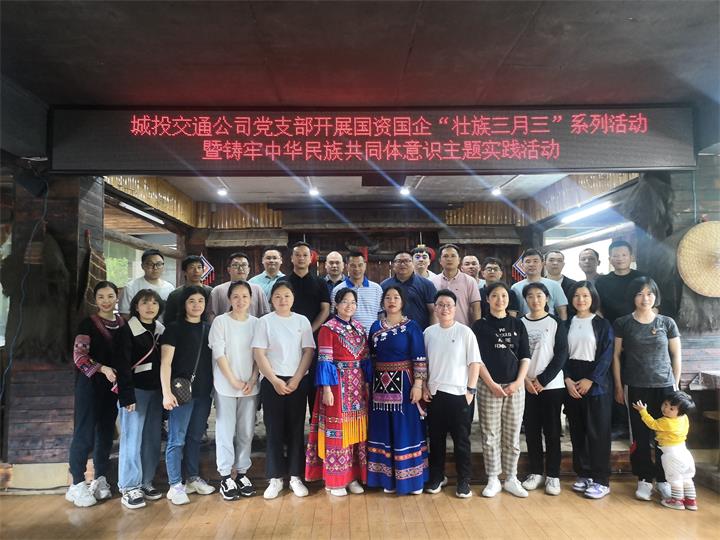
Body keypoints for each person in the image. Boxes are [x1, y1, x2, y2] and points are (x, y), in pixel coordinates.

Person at [613, 276, 681, 502]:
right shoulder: (623, 323)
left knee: (665, 436)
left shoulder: (666, 323)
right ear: (632, 297)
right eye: (640, 294)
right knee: (640, 436)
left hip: (665, 388)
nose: (645, 298)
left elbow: (676, 355)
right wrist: (618, 386)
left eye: (649, 293)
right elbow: (616, 356)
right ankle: (643, 478)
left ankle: (663, 479)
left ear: (655, 296)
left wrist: (675, 386)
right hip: (636, 387)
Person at [252, 281, 315, 499]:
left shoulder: (302, 321)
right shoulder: (264, 322)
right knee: (274, 429)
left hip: (298, 381)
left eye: (287, 295)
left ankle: (296, 476)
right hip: (272, 381)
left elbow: (308, 351)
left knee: (296, 428)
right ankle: (275, 478)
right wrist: (274, 380)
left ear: (293, 298)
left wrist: (296, 379)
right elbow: (259, 353)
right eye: (277, 296)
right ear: (271, 299)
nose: (282, 300)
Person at [423, 289, 488, 498]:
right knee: (436, 439)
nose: (444, 309)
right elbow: (423, 364)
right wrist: (424, 386)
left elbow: (474, 363)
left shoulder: (465, 332)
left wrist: (470, 390)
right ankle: (437, 477)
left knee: (461, 440)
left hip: (460, 394)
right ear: (435, 308)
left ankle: (463, 481)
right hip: (435, 394)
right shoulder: (428, 333)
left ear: (455, 308)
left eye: (448, 305)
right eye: (440, 305)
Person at [65, 281, 125, 508]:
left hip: (112, 388)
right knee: (85, 433)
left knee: (106, 433)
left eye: (110, 296)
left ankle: (100, 478)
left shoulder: (122, 323)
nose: (106, 301)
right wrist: (102, 368)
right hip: (89, 386)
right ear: (95, 299)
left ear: (117, 297)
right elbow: (79, 357)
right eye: (101, 297)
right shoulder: (87, 324)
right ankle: (77, 483)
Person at [305, 288, 369, 496]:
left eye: (353, 302)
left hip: (357, 387)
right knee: (337, 432)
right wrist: (326, 389)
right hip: (336, 386)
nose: (349, 306)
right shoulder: (328, 328)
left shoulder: (360, 329)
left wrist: (367, 384)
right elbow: (325, 361)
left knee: (356, 432)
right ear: (337, 304)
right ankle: (335, 480)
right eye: (345, 302)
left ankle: (352, 477)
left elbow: (365, 359)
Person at [470, 282, 531, 498]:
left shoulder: (518, 324)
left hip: (515, 387)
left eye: (504, 295)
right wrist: (491, 384)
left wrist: (518, 382)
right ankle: (493, 478)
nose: (500, 300)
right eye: (495, 295)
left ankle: (512, 477)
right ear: (487, 299)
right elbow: (476, 359)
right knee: (490, 434)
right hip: (489, 386)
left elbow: (525, 356)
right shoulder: (479, 326)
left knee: (512, 434)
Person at [366, 286, 429, 494]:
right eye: (387, 297)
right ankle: (387, 479)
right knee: (383, 429)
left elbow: (419, 358)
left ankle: (412, 480)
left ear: (402, 302)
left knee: (406, 429)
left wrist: (418, 385)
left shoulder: (412, 327)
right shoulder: (375, 326)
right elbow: (371, 357)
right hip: (379, 387)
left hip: (405, 385)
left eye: (396, 297)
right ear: (382, 302)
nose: (391, 301)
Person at [160, 286, 216, 505]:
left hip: (203, 392)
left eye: (200, 301)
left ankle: (192, 478)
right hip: (180, 392)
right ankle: (175, 484)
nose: (196, 305)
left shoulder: (208, 329)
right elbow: (165, 363)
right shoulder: (173, 328)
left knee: (194, 437)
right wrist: (166, 393)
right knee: (177, 439)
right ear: (183, 304)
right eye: (191, 301)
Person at [114, 289, 165, 509]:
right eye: (145, 302)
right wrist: (126, 395)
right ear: (136, 306)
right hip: (135, 391)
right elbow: (122, 365)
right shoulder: (127, 330)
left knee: (152, 438)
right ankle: (129, 486)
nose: (150, 307)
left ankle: (146, 481)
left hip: (156, 392)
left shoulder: (161, 330)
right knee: (131, 438)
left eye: (154, 303)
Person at [209, 281, 260, 500]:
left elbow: (260, 354)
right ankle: (225, 476)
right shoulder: (220, 322)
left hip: (250, 385)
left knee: (246, 430)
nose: (240, 301)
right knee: (225, 430)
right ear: (229, 299)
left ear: (251, 299)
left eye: (245, 296)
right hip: (225, 385)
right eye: (236, 296)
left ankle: (241, 472)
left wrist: (253, 378)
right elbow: (218, 353)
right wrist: (232, 380)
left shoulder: (257, 323)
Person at [564, 281, 614, 499]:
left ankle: (601, 480)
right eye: (576, 295)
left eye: (585, 295)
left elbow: (607, 355)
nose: (581, 300)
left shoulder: (602, 324)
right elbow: (560, 354)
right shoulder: (566, 324)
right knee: (577, 431)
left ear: (593, 298)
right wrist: (567, 379)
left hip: (596, 383)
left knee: (598, 432)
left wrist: (591, 379)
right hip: (571, 380)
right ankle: (584, 474)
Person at [519, 282, 568, 496]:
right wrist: (525, 380)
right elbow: (515, 354)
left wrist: (542, 380)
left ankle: (553, 476)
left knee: (552, 431)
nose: (535, 300)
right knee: (531, 431)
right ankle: (536, 472)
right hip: (526, 385)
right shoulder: (519, 323)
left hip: (551, 386)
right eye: (530, 296)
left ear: (547, 298)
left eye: (539, 295)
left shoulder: (555, 322)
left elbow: (561, 354)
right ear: (525, 300)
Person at [285, 241, 331, 414]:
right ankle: (293, 427)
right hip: (288, 340)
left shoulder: (320, 282)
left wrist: (309, 331)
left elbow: (325, 310)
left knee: (313, 383)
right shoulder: (284, 282)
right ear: (292, 258)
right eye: (297, 254)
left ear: (311, 258)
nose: (301, 258)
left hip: (314, 338)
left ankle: (314, 424)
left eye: (305, 255)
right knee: (291, 380)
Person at [632, 392, 697, 511]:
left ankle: (677, 501)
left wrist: (643, 411)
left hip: (671, 455)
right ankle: (691, 501)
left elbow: (652, 424)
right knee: (687, 477)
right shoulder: (684, 418)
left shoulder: (666, 422)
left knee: (674, 478)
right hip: (684, 452)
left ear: (680, 412)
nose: (666, 409)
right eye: (666, 404)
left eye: (671, 408)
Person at [381, 250, 436, 330]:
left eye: (407, 261)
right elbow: (381, 311)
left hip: (420, 332)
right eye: (399, 261)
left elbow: (433, 311)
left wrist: (432, 332)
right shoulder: (384, 285)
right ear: (393, 265)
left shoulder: (426, 284)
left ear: (413, 263)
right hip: (392, 331)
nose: (403, 264)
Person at [330, 251, 382, 334]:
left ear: (365, 266)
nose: (357, 269)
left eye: (360, 265)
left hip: (371, 335)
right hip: (346, 336)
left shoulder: (377, 289)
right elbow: (334, 315)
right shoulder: (337, 289)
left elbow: (381, 315)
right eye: (353, 265)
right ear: (347, 266)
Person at [430, 244, 481, 327]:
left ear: (459, 260)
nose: (449, 259)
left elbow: (476, 309)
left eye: (453, 256)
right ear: (440, 261)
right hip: (439, 329)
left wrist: (477, 329)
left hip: (463, 329)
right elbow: (432, 309)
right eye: (445, 256)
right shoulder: (432, 282)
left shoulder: (470, 281)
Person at [208, 252, 269, 320]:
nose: (240, 268)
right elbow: (211, 315)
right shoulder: (217, 291)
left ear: (248, 269)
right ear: (229, 269)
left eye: (244, 265)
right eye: (235, 265)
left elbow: (265, 314)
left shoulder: (257, 290)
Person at [595, 240, 645, 324]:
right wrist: (605, 326)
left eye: (624, 255)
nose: (620, 259)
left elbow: (654, 305)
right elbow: (597, 308)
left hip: (639, 326)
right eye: (615, 256)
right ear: (610, 259)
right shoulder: (601, 281)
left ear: (631, 257)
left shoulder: (643, 279)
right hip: (611, 327)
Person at [511, 249, 568, 320]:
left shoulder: (555, 285)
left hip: (549, 325)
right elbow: (513, 313)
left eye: (535, 261)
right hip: (523, 325)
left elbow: (562, 312)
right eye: (528, 262)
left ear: (542, 264)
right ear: (522, 266)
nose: (531, 264)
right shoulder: (515, 287)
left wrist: (563, 326)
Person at [118, 249, 175, 318]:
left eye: (159, 264)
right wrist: (141, 326)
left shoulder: (170, 288)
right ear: (142, 266)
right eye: (150, 264)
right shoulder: (131, 287)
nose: (155, 268)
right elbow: (125, 315)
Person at [164, 255, 212, 323]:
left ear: (203, 271)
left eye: (199, 267)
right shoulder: (175, 294)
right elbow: (169, 319)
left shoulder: (210, 292)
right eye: (192, 267)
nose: (196, 271)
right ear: (184, 272)